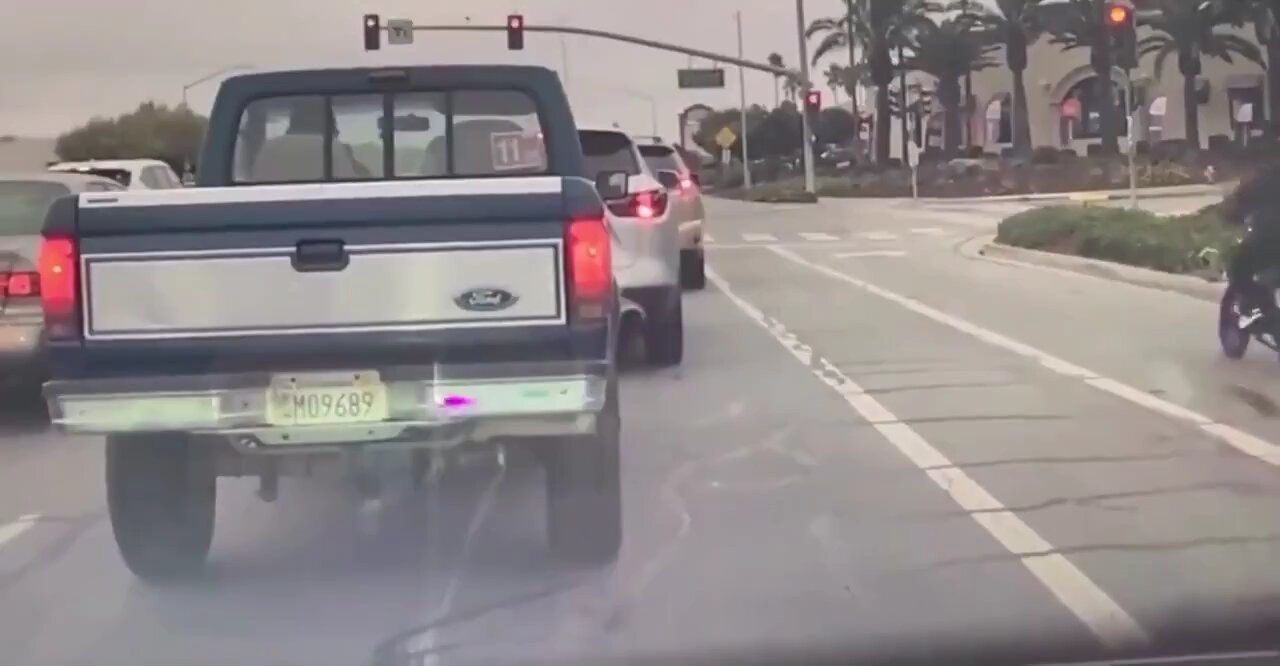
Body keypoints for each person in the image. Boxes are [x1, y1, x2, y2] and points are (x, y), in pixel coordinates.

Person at [1221, 163, 1280, 335]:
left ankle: (1256, 310)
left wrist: (1232, 216)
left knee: (1238, 267)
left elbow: (1237, 208)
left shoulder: (1263, 179)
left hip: (1268, 241)